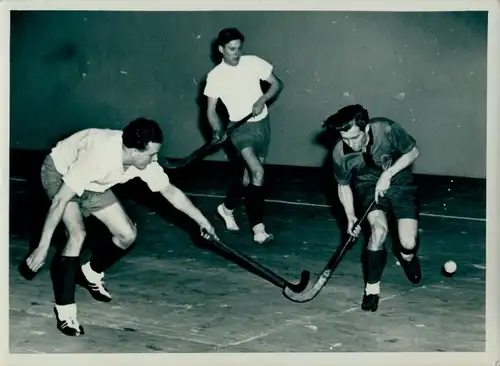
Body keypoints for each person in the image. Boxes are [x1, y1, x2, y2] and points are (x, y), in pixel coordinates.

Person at [25, 118, 217, 336]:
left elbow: (171, 192)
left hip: (95, 184)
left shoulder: (142, 161)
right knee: (77, 235)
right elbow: (60, 200)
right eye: (151, 154)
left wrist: (202, 220)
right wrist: (42, 246)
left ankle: (90, 273)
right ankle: (66, 312)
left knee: (126, 234)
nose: (156, 159)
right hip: (60, 174)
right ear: (133, 151)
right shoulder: (98, 155)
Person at [324, 104, 422, 312]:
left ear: (366, 128)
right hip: (368, 187)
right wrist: (350, 216)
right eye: (345, 138)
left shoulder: (386, 129)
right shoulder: (340, 154)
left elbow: (413, 152)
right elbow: (343, 186)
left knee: (408, 242)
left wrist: (388, 174)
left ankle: (407, 256)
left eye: (354, 137)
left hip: (399, 180)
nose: (350, 143)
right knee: (378, 231)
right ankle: (371, 289)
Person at [203, 27, 283, 245]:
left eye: (239, 48)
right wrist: (217, 130)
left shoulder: (254, 62)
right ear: (221, 49)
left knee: (248, 179)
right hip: (239, 130)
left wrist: (261, 100)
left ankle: (226, 208)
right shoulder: (215, 77)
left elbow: (277, 84)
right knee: (258, 173)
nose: (236, 53)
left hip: (262, 125)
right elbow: (211, 110)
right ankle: (259, 229)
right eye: (231, 49)